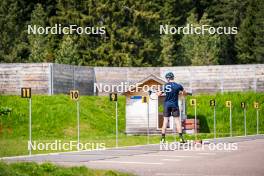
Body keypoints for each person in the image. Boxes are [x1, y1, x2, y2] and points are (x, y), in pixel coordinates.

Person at [157, 72, 186, 143]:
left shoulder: (164, 86)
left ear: (168, 78)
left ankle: (163, 138)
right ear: (173, 77)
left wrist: (156, 92)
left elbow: (158, 94)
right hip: (175, 105)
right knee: (177, 121)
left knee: (165, 121)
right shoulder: (178, 86)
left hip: (167, 105)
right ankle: (181, 138)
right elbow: (184, 93)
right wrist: (180, 93)